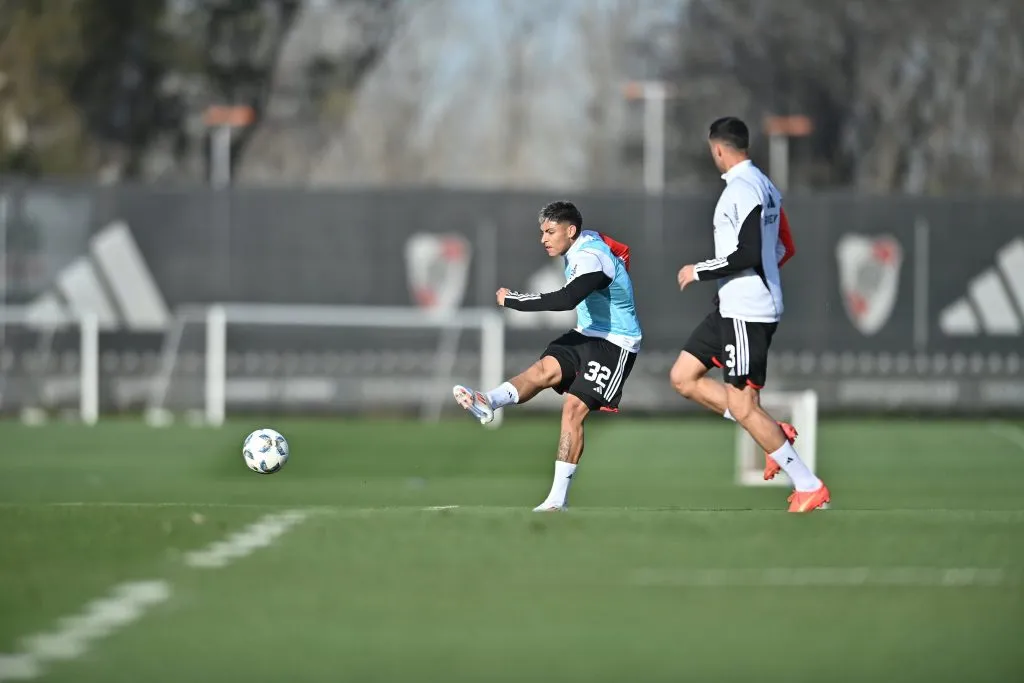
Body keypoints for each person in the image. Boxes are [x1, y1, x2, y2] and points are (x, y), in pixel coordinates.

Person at [673, 116, 830, 512]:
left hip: (747, 311)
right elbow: (785, 246)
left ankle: (808, 484)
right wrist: (760, 278)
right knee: (684, 377)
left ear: (718, 149)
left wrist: (699, 271)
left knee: (744, 406)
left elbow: (745, 252)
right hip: (733, 305)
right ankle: (771, 431)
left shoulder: (742, 189)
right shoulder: (765, 185)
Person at [452, 200, 641, 511]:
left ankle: (556, 501)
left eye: (550, 232)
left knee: (572, 410)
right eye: (542, 232)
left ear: (571, 230)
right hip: (586, 332)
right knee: (542, 371)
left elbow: (567, 299)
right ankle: (488, 401)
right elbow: (621, 249)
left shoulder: (591, 257)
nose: (543, 239)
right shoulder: (585, 242)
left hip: (615, 342)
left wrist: (513, 300)